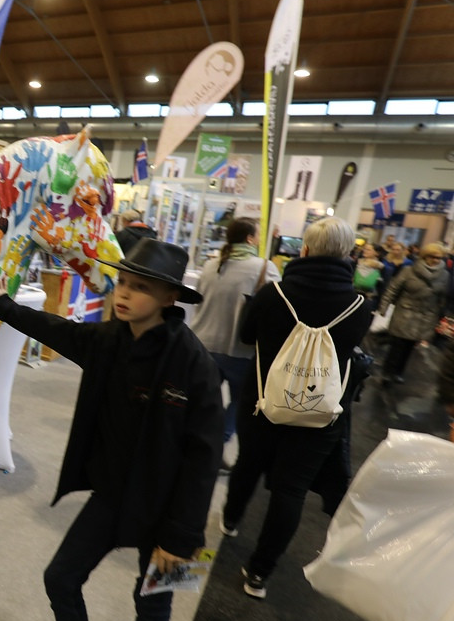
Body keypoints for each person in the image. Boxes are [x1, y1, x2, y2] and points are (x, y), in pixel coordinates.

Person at [0, 238, 222, 621]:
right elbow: (60, 331)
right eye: (123, 283)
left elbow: (203, 459)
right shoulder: (109, 339)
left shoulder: (195, 364)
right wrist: (3, 305)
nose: (125, 294)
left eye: (140, 288)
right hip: (113, 496)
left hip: (169, 514)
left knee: (153, 603)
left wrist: (182, 536)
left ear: (171, 299)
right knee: (61, 578)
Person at [220, 218, 371, 599]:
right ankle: (258, 575)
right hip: (320, 414)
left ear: (303, 250)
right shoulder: (359, 307)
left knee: (248, 465)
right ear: (348, 254)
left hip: (262, 403)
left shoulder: (273, 294)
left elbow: (245, 337)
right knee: (291, 491)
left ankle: (230, 519)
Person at [191, 218, 281, 448]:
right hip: (239, 349)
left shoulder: (211, 265)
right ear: (250, 238)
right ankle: (218, 443)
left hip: (202, 344)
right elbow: (277, 305)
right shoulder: (264, 267)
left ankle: (194, 440)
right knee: (240, 401)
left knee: (201, 400)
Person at [375, 242, 449, 385]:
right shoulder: (408, 271)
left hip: (425, 316)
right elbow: (393, 289)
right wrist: (383, 308)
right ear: (425, 257)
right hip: (405, 313)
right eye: (433, 257)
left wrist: (440, 316)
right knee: (397, 345)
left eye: (439, 258)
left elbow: (442, 297)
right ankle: (388, 372)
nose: (436, 260)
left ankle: (398, 372)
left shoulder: (444, 275)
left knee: (410, 347)